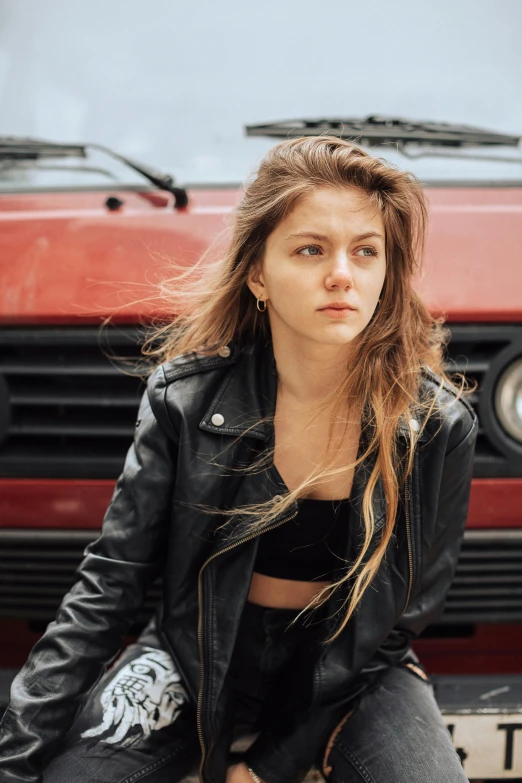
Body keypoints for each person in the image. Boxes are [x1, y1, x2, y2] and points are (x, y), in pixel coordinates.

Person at [0, 136, 478, 783]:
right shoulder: (188, 398)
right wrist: (16, 756)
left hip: (347, 673)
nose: (343, 273)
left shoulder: (434, 425)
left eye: (366, 251)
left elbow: (393, 626)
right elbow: (107, 589)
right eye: (311, 249)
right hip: (192, 655)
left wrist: (270, 764)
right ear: (258, 273)